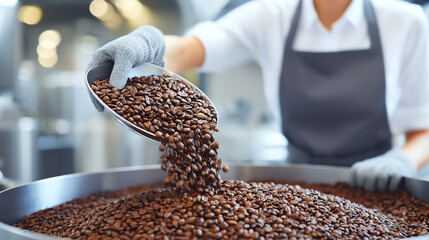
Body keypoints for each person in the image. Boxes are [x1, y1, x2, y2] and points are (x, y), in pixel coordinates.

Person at [87, 0, 429, 192]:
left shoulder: (405, 20)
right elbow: (193, 49)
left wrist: (402, 161)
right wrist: (150, 43)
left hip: (376, 184)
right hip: (293, 185)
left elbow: (423, 129)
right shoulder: (270, 14)